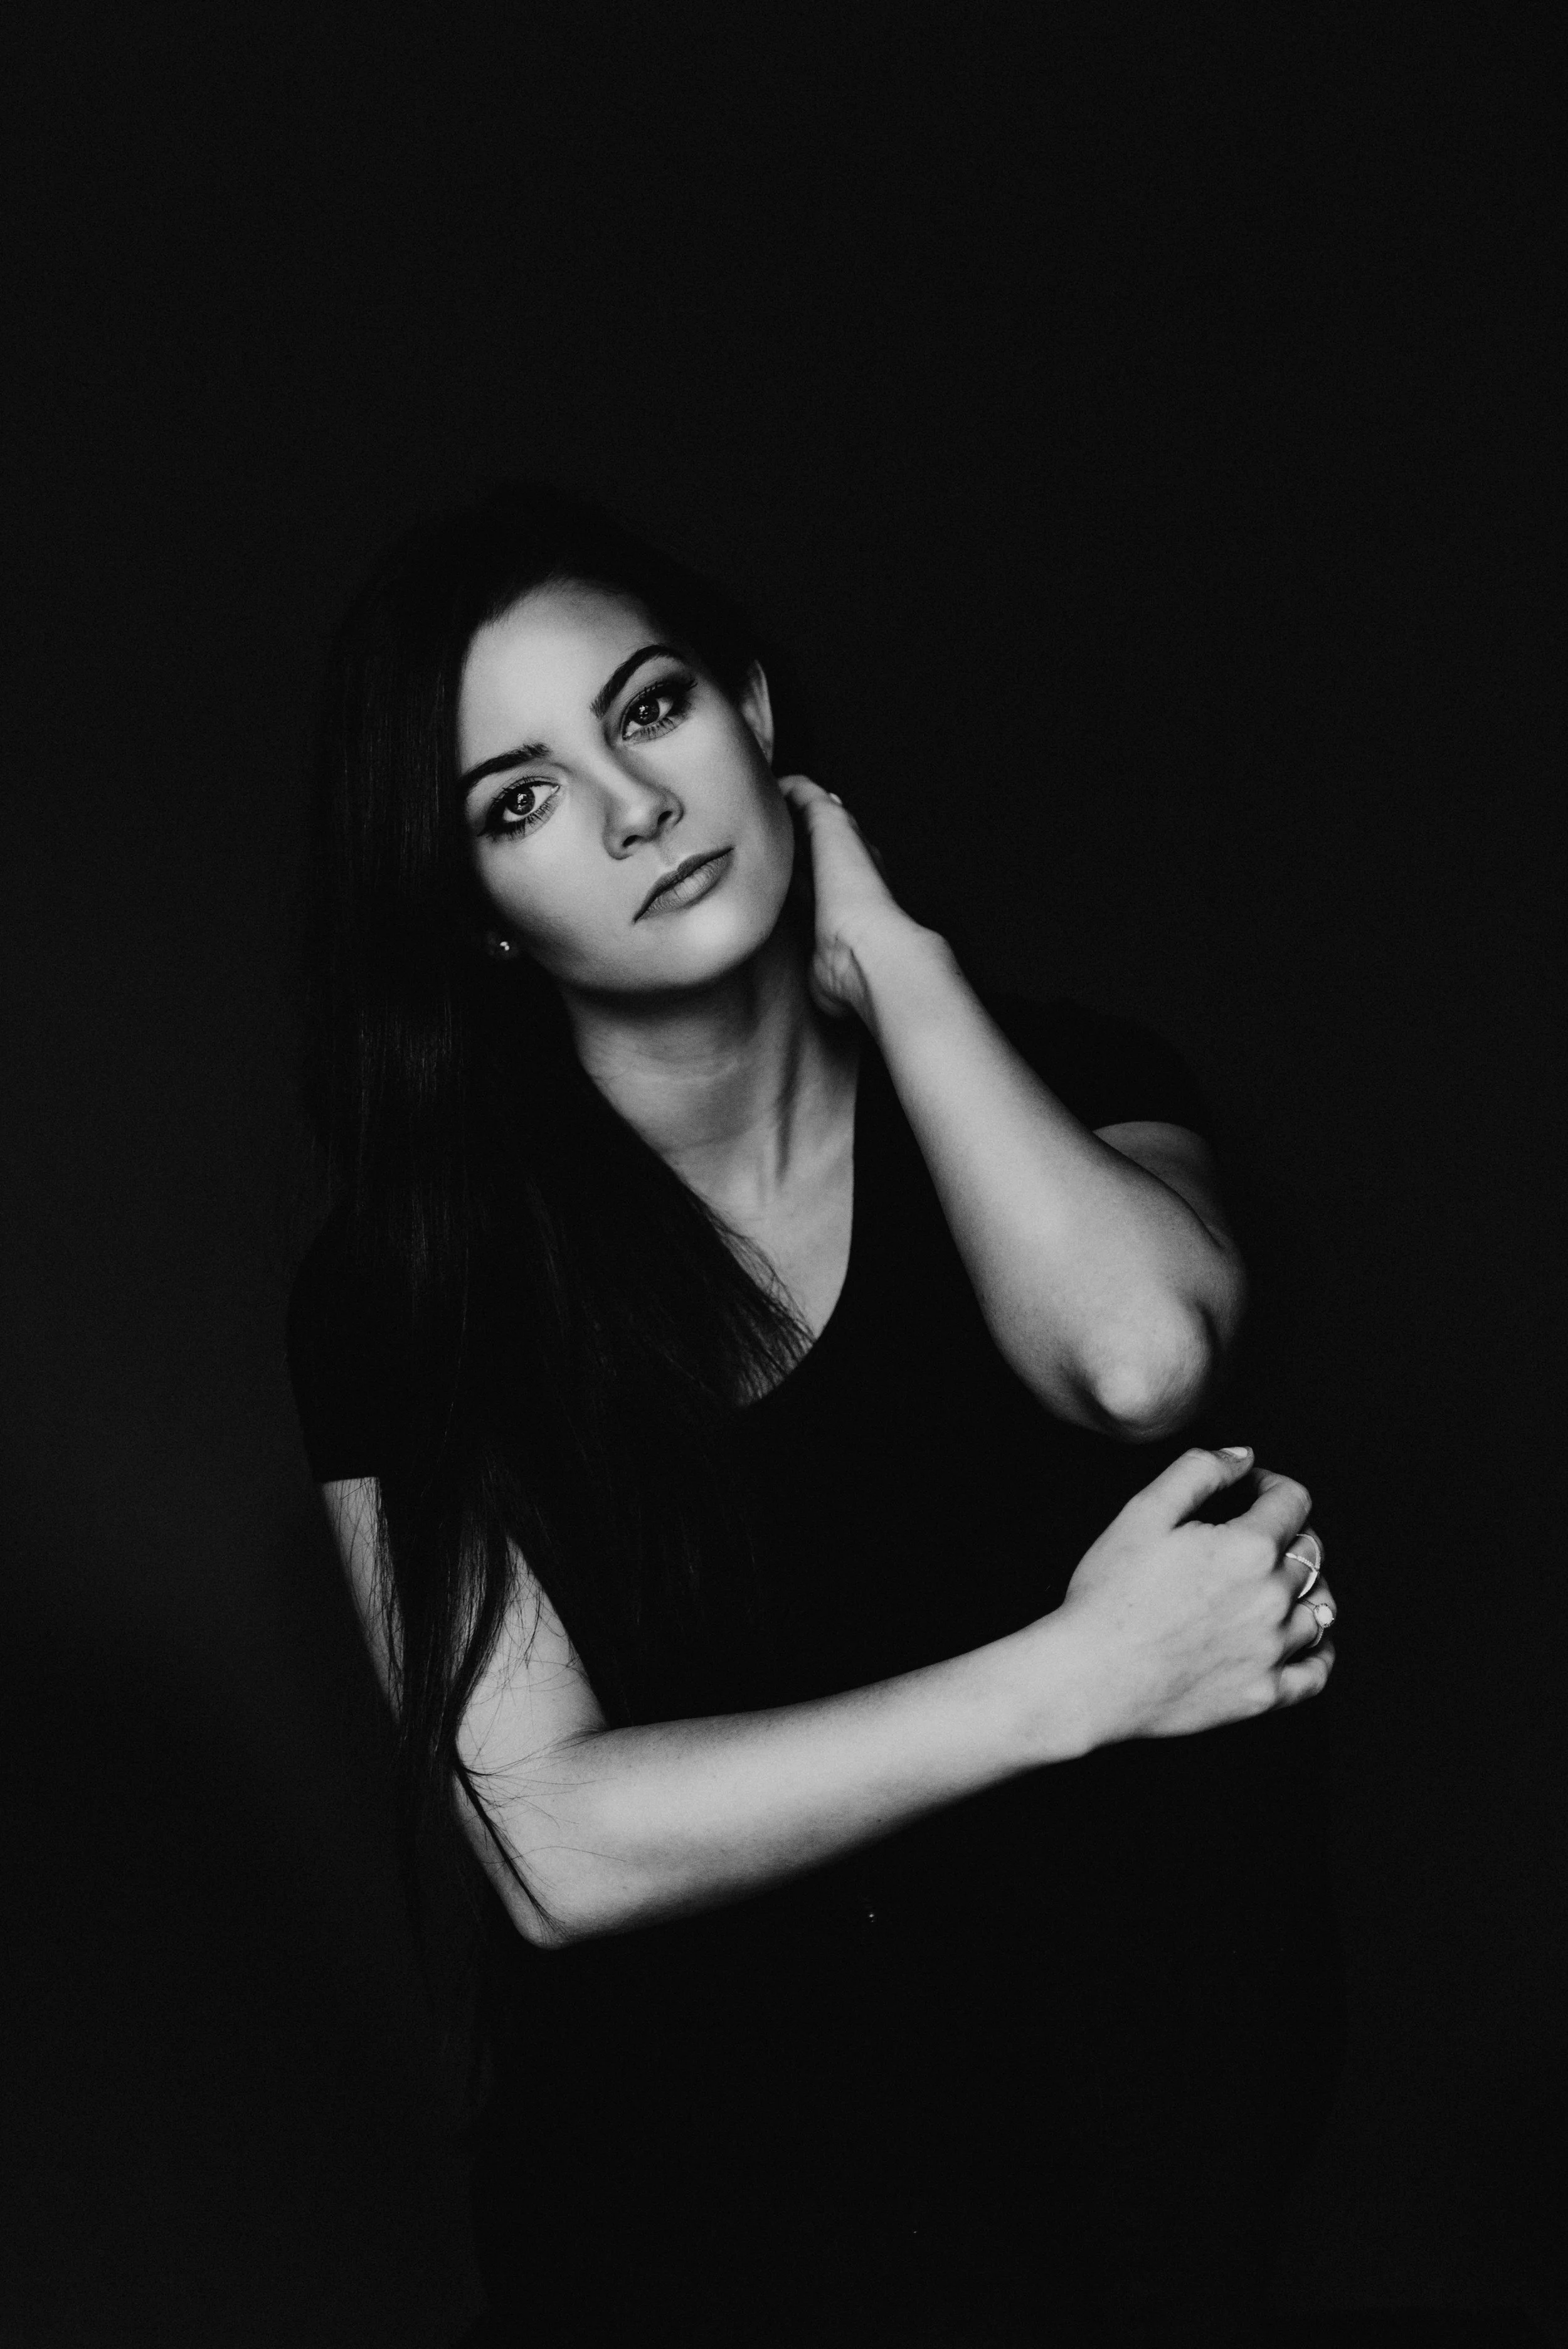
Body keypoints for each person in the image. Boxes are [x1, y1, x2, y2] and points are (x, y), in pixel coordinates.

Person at [287, 483, 1342, 2348]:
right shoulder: (415, 1286)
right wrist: (1079, 1681)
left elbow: (1138, 1362)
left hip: (1101, 2179)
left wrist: (898, 969)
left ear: (753, 716)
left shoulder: (1069, 1087)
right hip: (682, 2227)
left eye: (649, 707)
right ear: (476, 917)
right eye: (518, 802)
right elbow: (555, 1847)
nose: (632, 810)